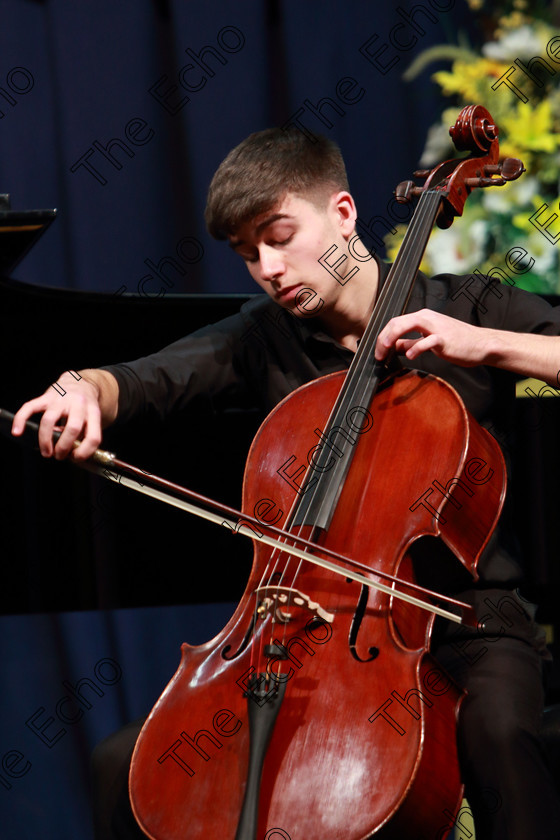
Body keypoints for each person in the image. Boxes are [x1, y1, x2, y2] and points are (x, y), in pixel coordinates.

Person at [12, 128, 560, 839]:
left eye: (279, 236)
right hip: (302, 630)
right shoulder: (261, 336)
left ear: (341, 213)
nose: (268, 268)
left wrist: (485, 344)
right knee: (127, 762)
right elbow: (148, 378)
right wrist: (82, 387)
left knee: (501, 738)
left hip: (469, 618)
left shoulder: (472, 308)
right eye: (248, 254)